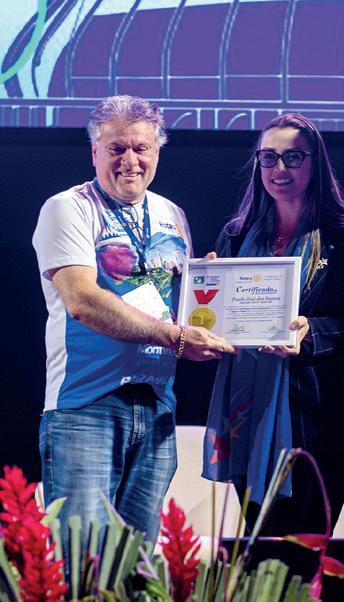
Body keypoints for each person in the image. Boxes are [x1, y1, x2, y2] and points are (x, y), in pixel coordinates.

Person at [32, 95, 233, 549]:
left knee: (137, 565)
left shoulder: (171, 214)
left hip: (157, 404)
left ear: (156, 152)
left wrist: (210, 287)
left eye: (141, 148)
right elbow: (83, 301)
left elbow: (175, 303)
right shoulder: (68, 208)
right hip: (85, 404)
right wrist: (177, 337)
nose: (130, 161)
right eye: (116, 148)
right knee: (83, 564)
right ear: (95, 152)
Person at [202, 113, 344, 535]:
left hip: (323, 420)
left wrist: (310, 332)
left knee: (305, 548)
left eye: (293, 157)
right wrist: (205, 291)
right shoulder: (235, 236)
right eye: (268, 157)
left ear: (315, 163)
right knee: (261, 550)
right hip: (247, 416)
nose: (279, 168)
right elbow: (217, 321)